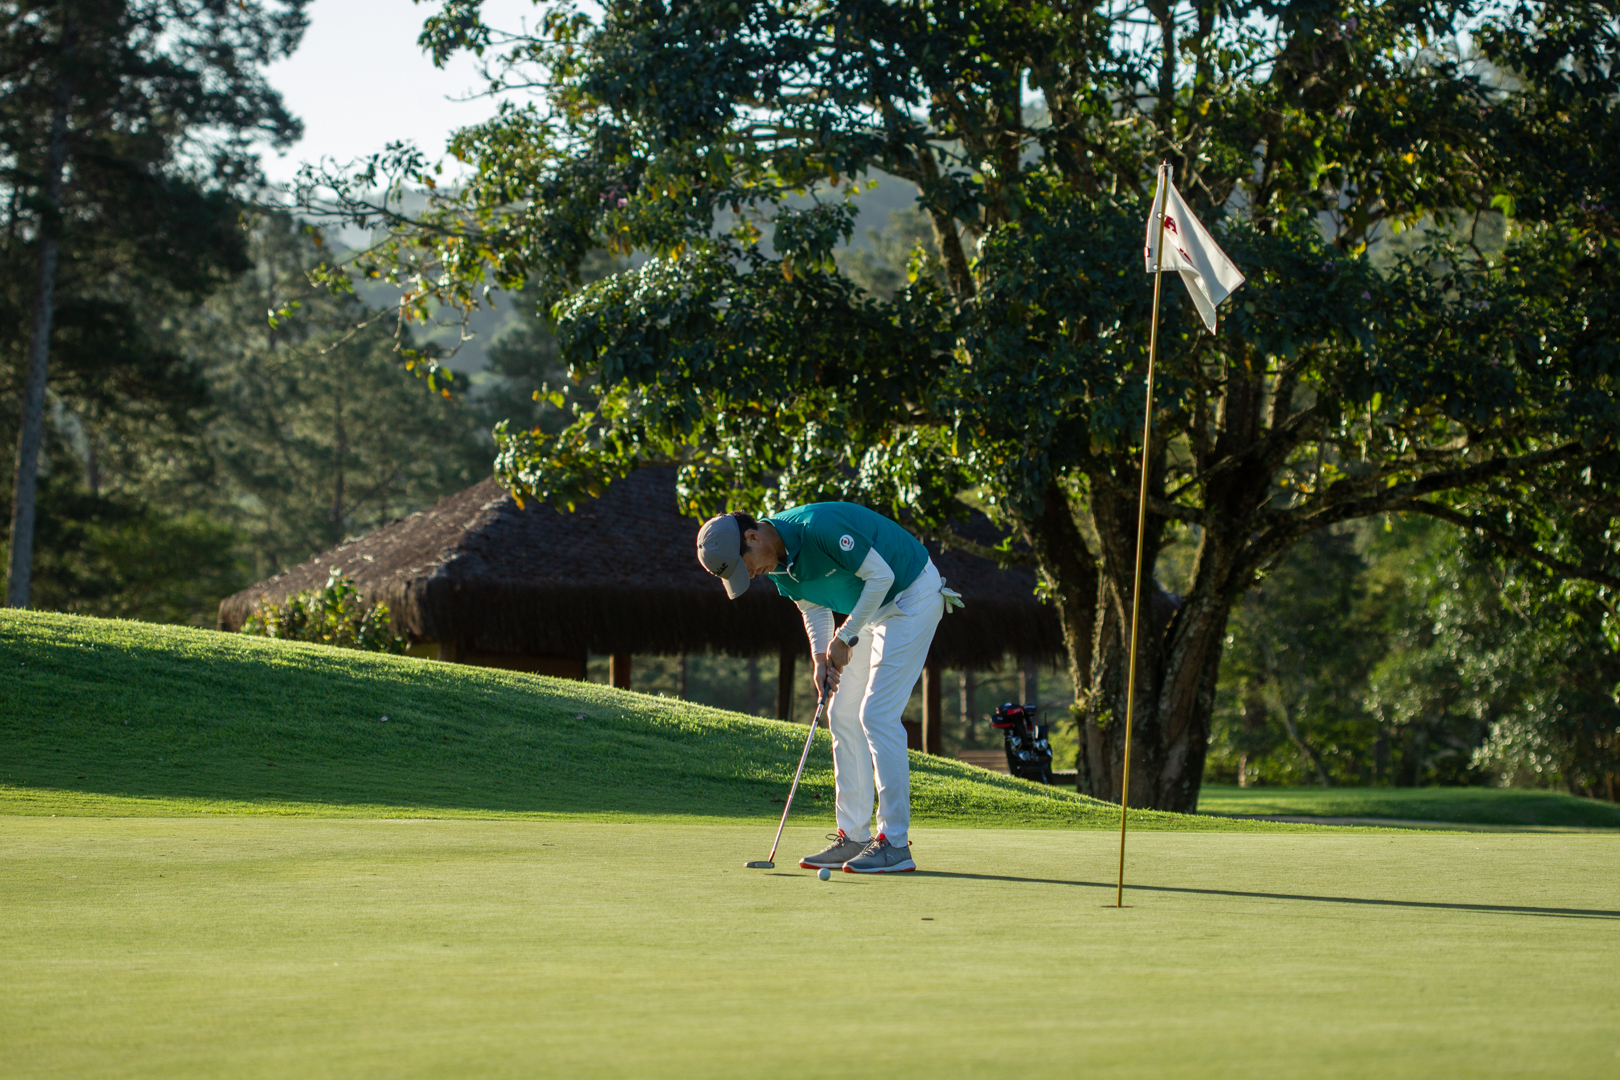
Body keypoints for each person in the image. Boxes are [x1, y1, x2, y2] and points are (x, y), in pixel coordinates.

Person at [696, 502, 961, 873]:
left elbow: (881, 578)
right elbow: (813, 608)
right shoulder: (776, 564)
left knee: (877, 715)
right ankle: (853, 836)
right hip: (872, 608)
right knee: (841, 713)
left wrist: (846, 635)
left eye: (746, 565)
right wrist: (820, 657)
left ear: (753, 537)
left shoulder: (820, 527)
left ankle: (895, 844)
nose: (751, 575)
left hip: (911, 594)